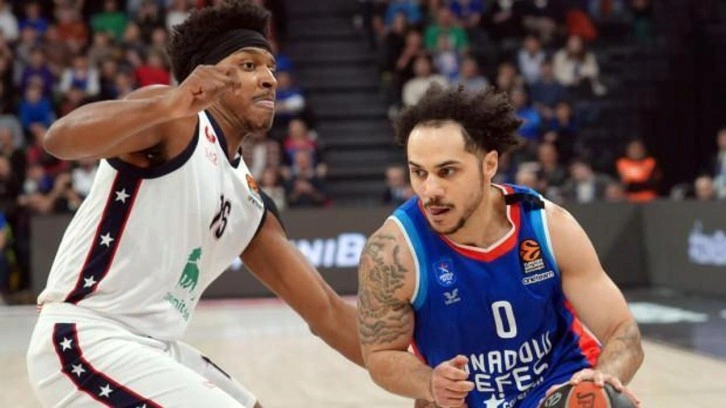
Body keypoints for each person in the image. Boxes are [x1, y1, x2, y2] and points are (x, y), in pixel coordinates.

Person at [26, 2, 362, 407]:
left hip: (155, 348)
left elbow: (328, 312)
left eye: (270, 67)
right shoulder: (175, 120)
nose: (269, 79)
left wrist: (419, 378)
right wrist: (171, 102)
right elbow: (61, 139)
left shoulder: (250, 202)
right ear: (207, 75)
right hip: (88, 337)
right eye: (249, 65)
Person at [357, 85, 643, 408]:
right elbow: (380, 354)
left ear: (489, 164)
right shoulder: (393, 252)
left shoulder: (548, 225)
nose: (430, 190)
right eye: (418, 172)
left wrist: (604, 377)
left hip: (558, 388)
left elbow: (623, 331)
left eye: (447, 171)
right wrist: (429, 382)